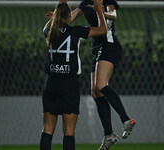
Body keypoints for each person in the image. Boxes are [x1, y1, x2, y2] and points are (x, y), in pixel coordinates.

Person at [66, 0, 136, 149]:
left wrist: (100, 10)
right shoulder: (85, 3)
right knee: (96, 92)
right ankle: (109, 134)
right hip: (97, 48)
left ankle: (126, 120)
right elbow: (70, 19)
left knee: (101, 85)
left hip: (109, 45)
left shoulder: (106, 1)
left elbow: (113, 15)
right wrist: (58, 16)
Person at [40, 0, 107, 150]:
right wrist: (99, 12)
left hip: (50, 84)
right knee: (69, 131)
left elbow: (50, 25)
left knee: (47, 129)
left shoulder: (50, 30)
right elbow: (103, 30)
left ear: (56, 16)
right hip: (68, 84)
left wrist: (57, 16)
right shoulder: (76, 31)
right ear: (69, 15)